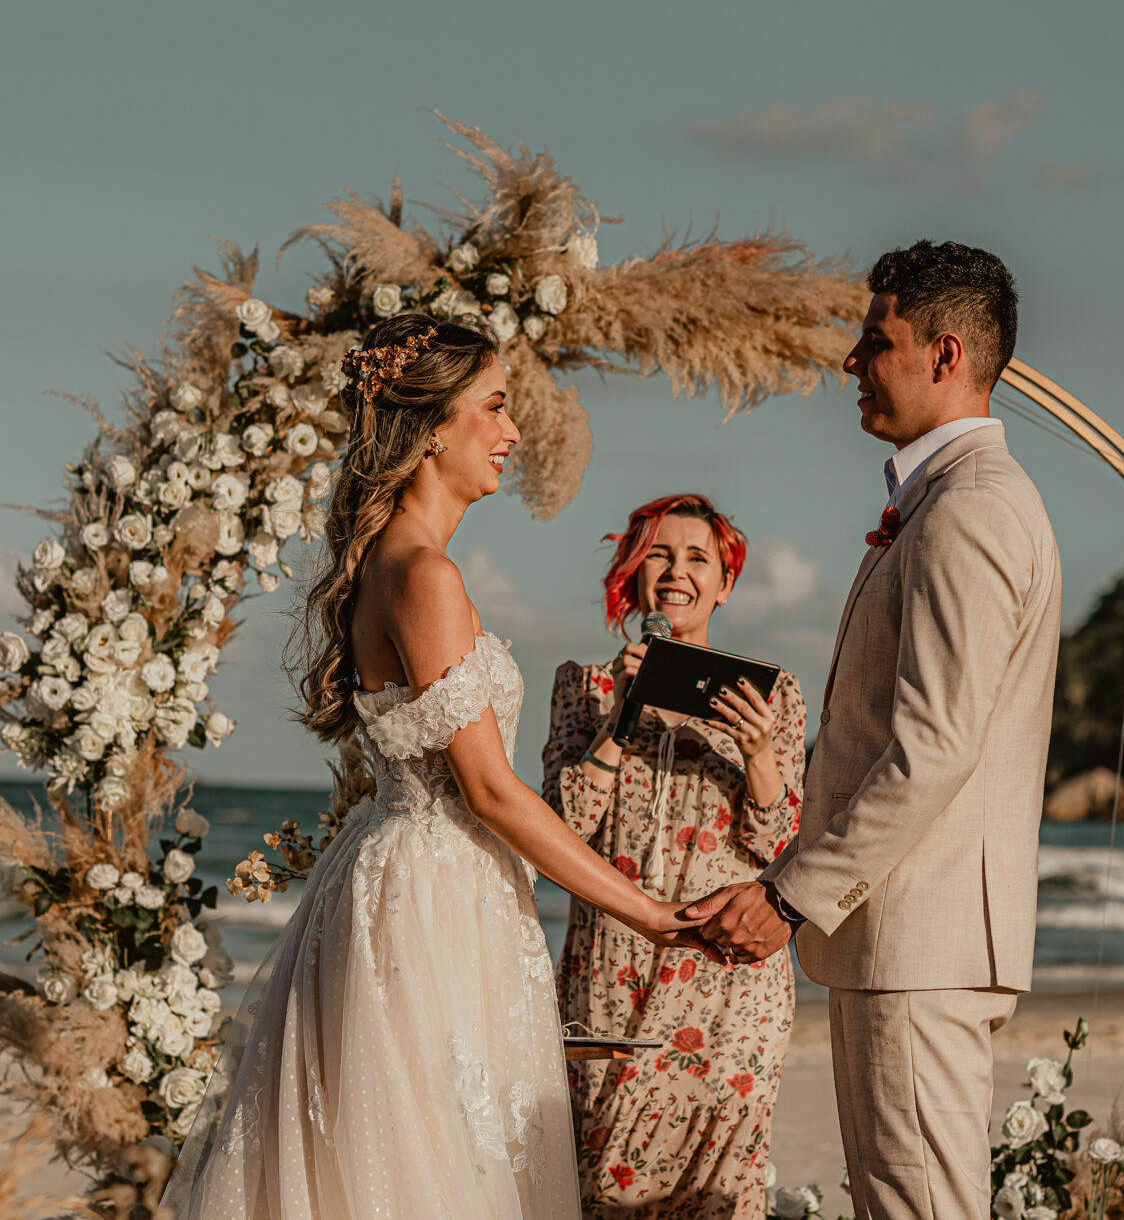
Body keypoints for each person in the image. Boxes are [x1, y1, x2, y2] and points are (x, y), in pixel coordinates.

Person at [166, 314, 715, 1220]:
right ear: (430, 427)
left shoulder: (394, 565)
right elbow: (493, 791)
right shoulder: (424, 576)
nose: (511, 433)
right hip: (432, 898)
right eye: (494, 409)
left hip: (405, 877)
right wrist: (650, 914)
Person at [688, 242, 1062, 1220]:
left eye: (874, 339)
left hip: (920, 942)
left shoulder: (971, 508)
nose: (849, 361)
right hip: (903, 940)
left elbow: (934, 745)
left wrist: (790, 894)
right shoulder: (939, 502)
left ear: (945, 353)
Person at [542, 494, 805, 1218]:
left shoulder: (772, 695)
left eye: (698, 558)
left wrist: (757, 752)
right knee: (598, 1181)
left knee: (719, 1191)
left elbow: (780, 848)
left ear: (725, 581)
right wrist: (619, 717)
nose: (676, 572)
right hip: (612, 967)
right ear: (632, 573)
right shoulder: (583, 686)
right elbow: (561, 828)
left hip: (731, 979)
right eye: (658, 553)